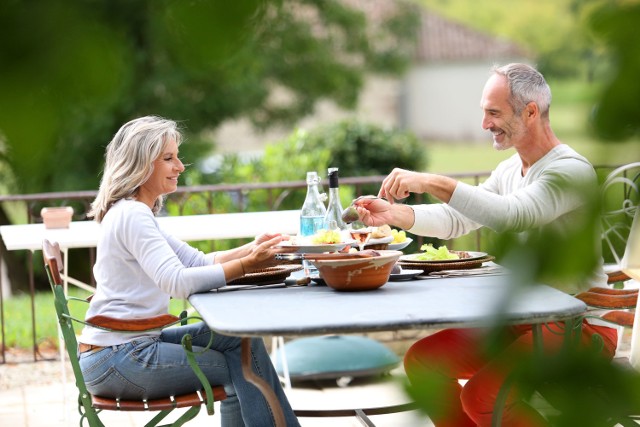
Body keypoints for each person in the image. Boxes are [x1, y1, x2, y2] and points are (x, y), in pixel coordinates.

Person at [353, 63, 617, 426]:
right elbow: (458, 218)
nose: (485, 124)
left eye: (494, 112)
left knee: (482, 396)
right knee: (423, 362)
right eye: (484, 112)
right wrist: (394, 215)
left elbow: (514, 215)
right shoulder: (510, 170)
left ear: (530, 112)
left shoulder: (570, 170)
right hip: (522, 320)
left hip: (575, 325)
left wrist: (433, 181)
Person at [77, 116, 300, 427]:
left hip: (122, 349)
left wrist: (253, 248)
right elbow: (178, 282)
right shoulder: (132, 215)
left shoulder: (134, 212)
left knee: (240, 339)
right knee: (243, 367)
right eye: (169, 158)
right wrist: (249, 264)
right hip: (121, 359)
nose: (180, 166)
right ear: (141, 165)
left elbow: (196, 262)